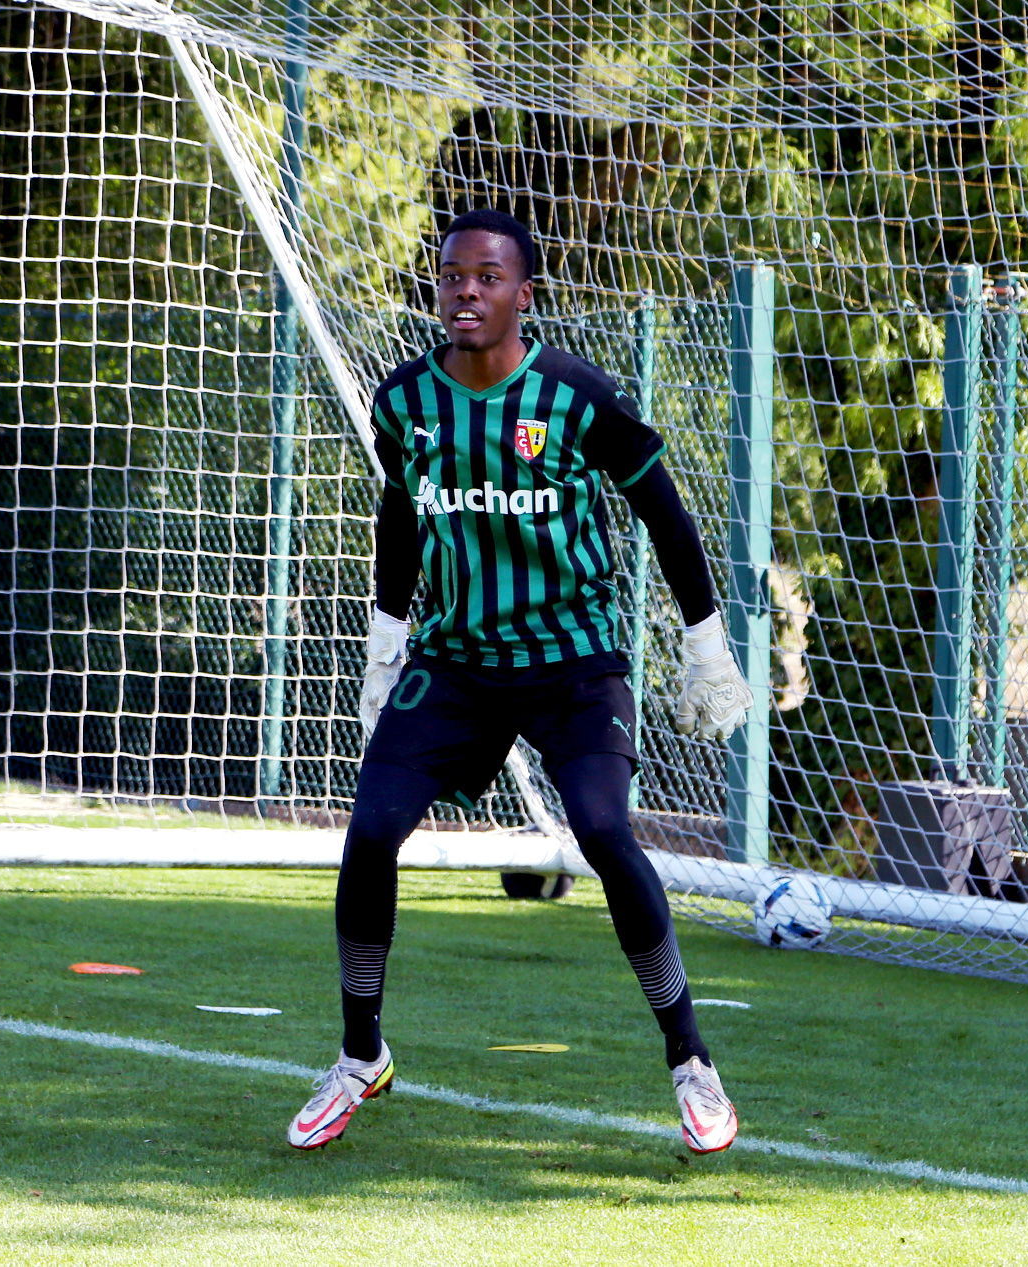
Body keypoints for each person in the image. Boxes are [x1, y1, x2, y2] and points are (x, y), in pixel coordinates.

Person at [286, 209, 754, 1155]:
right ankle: (359, 1054)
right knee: (370, 829)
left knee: (603, 829)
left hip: (574, 665)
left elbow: (667, 517)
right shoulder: (404, 403)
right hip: (456, 665)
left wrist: (709, 648)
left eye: (488, 277)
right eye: (453, 275)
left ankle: (691, 1059)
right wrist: (387, 643)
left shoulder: (582, 401)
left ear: (522, 295)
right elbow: (402, 519)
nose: (466, 289)